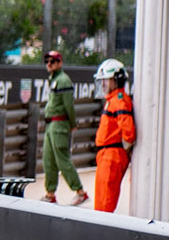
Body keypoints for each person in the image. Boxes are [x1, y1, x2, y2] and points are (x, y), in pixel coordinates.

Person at [37, 49, 88, 206]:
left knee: (62, 159)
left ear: (60, 63)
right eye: (47, 61)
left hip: (59, 124)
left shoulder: (63, 80)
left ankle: (80, 191)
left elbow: (68, 106)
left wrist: (72, 125)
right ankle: (50, 193)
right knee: (48, 160)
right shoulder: (54, 79)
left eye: (52, 61)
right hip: (51, 124)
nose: (49, 64)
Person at [93, 58, 136, 213]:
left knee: (104, 203)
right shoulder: (114, 100)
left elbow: (129, 132)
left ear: (116, 80)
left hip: (111, 155)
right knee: (102, 200)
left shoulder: (119, 101)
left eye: (107, 80)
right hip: (107, 154)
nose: (104, 84)